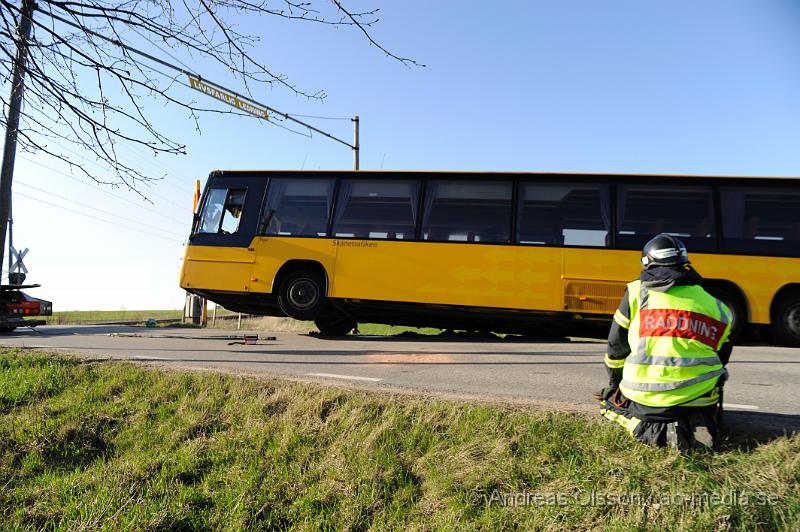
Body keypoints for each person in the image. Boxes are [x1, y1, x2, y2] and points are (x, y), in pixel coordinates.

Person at [596, 233, 733, 450]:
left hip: (645, 399)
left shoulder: (636, 293)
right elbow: (722, 357)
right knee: (700, 400)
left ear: (647, 263)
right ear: (685, 264)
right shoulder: (718, 307)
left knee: (608, 404)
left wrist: (615, 384)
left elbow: (616, 347)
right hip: (700, 399)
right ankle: (695, 423)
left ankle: (653, 431)